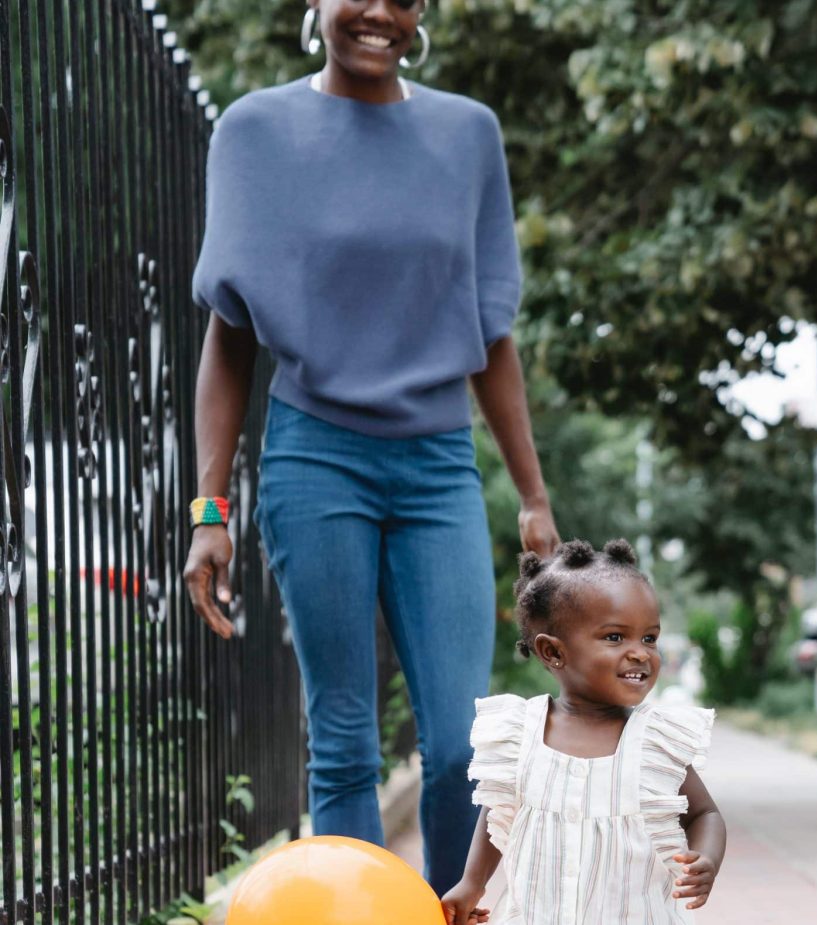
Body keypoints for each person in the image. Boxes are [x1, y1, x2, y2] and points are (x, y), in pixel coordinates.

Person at [182, 0, 559, 897]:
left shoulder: (468, 135)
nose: (380, 12)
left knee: (463, 743)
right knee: (346, 739)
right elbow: (228, 335)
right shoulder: (256, 132)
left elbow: (491, 332)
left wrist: (534, 497)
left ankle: (454, 913)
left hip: (436, 466)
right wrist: (209, 512)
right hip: (317, 458)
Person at [442, 539, 726, 925]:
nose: (640, 652)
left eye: (649, 637)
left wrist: (705, 858)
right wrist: (472, 882)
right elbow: (498, 814)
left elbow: (704, 813)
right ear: (553, 652)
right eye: (614, 637)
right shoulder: (520, 734)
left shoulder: (653, 742)